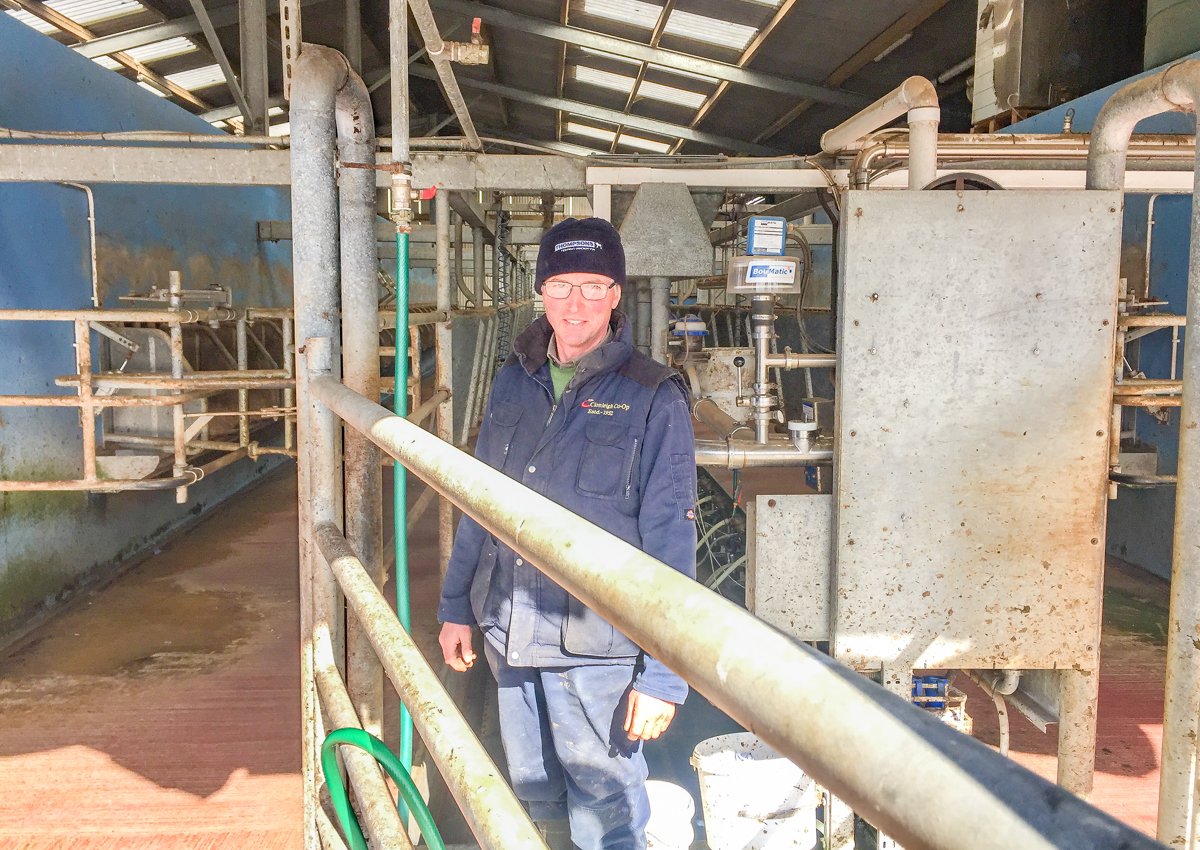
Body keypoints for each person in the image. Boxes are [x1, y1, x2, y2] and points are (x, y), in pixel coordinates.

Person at [437, 216, 698, 850]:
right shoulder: (512, 380)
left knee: (606, 805)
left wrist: (664, 676)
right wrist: (455, 607)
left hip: (597, 647)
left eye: (592, 286)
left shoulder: (652, 396)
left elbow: (672, 541)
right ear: (541, 291)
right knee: (532, 787)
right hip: (510, 630)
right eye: (560, 285)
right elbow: (478, 501)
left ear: (615, 294)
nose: (575, 303)